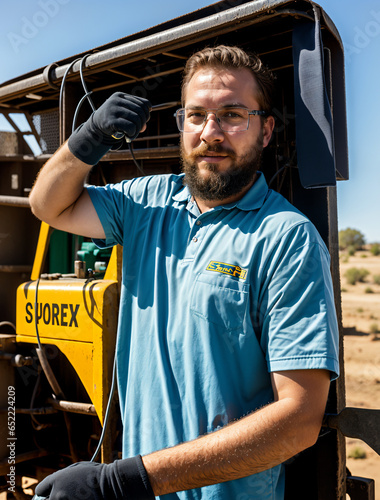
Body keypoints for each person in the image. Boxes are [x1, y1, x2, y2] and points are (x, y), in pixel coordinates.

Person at [30, 45, 339, 500]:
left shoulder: (286, 237)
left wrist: (122, 481)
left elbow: (299, 421)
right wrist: (88, 138)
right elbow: (48, 205)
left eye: (232, 114)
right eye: (196, 116)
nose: (210, 132)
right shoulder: (145, 201)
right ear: (181, 124)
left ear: (267, 129)